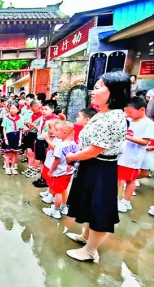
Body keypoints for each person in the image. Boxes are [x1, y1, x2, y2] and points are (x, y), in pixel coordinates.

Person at [64, 71, 130, 263]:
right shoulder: (104, 112)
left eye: (100, 86)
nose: (94, 91)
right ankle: (86, 237)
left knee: (99, 211)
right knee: (89, 206)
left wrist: (72, 156)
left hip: (100, 168)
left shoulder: (113, 117)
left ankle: (91, 250)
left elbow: (95, 149)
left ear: (114, 92)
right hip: (91, 167)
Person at [117, 97, 154, 213]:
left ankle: (126, 201)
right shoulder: (130, 120)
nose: (128, 114)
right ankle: (119, 199)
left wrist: (126, 136)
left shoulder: (148, 123)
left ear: (142, 109)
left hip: (133, 158)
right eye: (126, 112)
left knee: (130, 180)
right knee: (119, 179)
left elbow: (145, 142)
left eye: (130, 112)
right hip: (122, 156)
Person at [43, 121, 78, 219]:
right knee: (64, 190)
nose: (56, 132)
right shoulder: (73, 144)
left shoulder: (59, 146)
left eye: (57, 130)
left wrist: (50, 171)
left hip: (59, 173)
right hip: (69, 172)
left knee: (57, 192)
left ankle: (55, 211)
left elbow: (56, 160)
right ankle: (63, 207)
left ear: (64, 133)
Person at [28, 102, 56, 180]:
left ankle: (46, 177)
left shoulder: (53, 121)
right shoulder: (42, 119)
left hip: (47, 141)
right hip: (40, 139)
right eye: (43, 109)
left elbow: (54, 133)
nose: (43, 111)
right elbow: (40, 129)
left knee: (46, 159)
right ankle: (42, 175)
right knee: (41, 159)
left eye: (46, 109)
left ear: (52, 110)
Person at [35, 120, 61, 189]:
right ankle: (48, 190)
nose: (48, 130)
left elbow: (55, 148)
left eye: (50, 128)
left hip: (53, 161)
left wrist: (47, 140)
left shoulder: (59, 139)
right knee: (47, 175)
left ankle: (51, 193)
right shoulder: (51, 136)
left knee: (51, 177)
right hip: (48, 160)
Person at [21, 100, 43, 177]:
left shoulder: (42, 117)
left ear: (38, 106)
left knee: (35, 154)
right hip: (30, 134)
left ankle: (34, 169)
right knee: (29, 152)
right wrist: (28, 128)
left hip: (37, 136)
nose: (33, 110)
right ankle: (29, 167)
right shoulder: (33, 115)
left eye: (34, 109)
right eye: (32, 109)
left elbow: (40, 129)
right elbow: (31, 126)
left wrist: (31, 124)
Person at [1, 102, 24, 175]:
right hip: (8, 136)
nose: (12, 110)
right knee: (8, 153)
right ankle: (7, 167)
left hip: (16, 136)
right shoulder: (6, 117)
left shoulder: (20, 118)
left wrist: (20, 139)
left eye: (14, 109)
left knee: (15, 153)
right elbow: (4, 128)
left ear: (18, 109)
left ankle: (12, 167)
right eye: (11, 108)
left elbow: (20, 129)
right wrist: (5, 138)